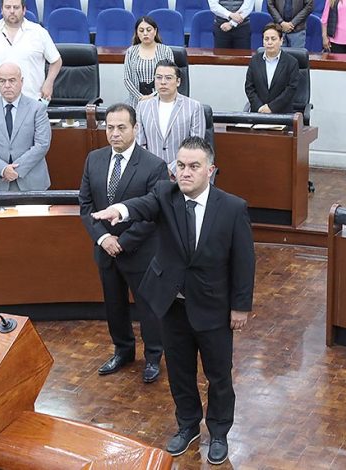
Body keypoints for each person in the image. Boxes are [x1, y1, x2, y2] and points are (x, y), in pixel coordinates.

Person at [91, 136, 255, 465]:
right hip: (172, 305)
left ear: (211, 169)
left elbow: (244, 260)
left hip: (213, 308)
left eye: (194, 166)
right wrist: (118, 210)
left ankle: (219, 431)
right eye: (180, 166)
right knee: (179, 372)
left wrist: (241, 306)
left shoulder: (233, 207)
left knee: (219, 375)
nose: (185, 172)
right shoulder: (166, 196)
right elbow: (142, 205)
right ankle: (188, 425)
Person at [79, 103, 169, 382]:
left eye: (121, 128)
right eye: (110, 127)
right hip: (106, 250)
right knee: (114, 304)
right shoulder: (94, 159)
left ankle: (153, 357)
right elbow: (86, 204)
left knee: (148, 308)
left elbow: (156, 211)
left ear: (135, 129)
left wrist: (124, 241)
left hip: (139, 252)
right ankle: (123, 351)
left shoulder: (154, 165)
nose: (114, 133)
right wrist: (104, 238)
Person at [0, 63, 51, 191]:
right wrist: (3, 169)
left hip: (32, 183)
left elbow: (42, 144)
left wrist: (16, 170)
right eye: (2, 81)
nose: (7, 85)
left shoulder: (37, 109)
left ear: (21, 81)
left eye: (12, 80)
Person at [0, 0, 62, 102]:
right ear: (2, 10)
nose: (12, 11)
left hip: (34, 101)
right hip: (1, 103)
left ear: (24, 10)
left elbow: (56, 61)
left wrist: (49, 83)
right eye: (7, 7)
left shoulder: (39, 32)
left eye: (16, 7)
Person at [136, 60, 206, 176]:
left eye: (168, 78)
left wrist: (172, 169)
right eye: (158, 78)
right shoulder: (142, 107)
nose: (163, 82)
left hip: (183, 173)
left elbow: (195, 145)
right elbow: (140, 144)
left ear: (178, 81)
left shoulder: (194, 107)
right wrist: (154, 169)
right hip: (150, 173)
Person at [245, 23, 300, 114]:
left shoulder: (291, 62)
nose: (269, 42)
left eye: (273, 39)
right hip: (258, 113)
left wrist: (271, 108)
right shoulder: (255, 60)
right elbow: (249, 87)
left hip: (282, 115)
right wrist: (259, 107)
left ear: (281, 40)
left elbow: (291, 89)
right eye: (266, 39)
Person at [123, 16, 174, 109]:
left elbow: (170, 77)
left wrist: (153, 96)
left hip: (161, 100)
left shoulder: (166, 50)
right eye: (141, 31)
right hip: (136, 102)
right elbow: (127, 79)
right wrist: (140, 97)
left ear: (155, 31)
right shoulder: (131, 51)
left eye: (148, 30)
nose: (145, 33)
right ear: (137, 33)